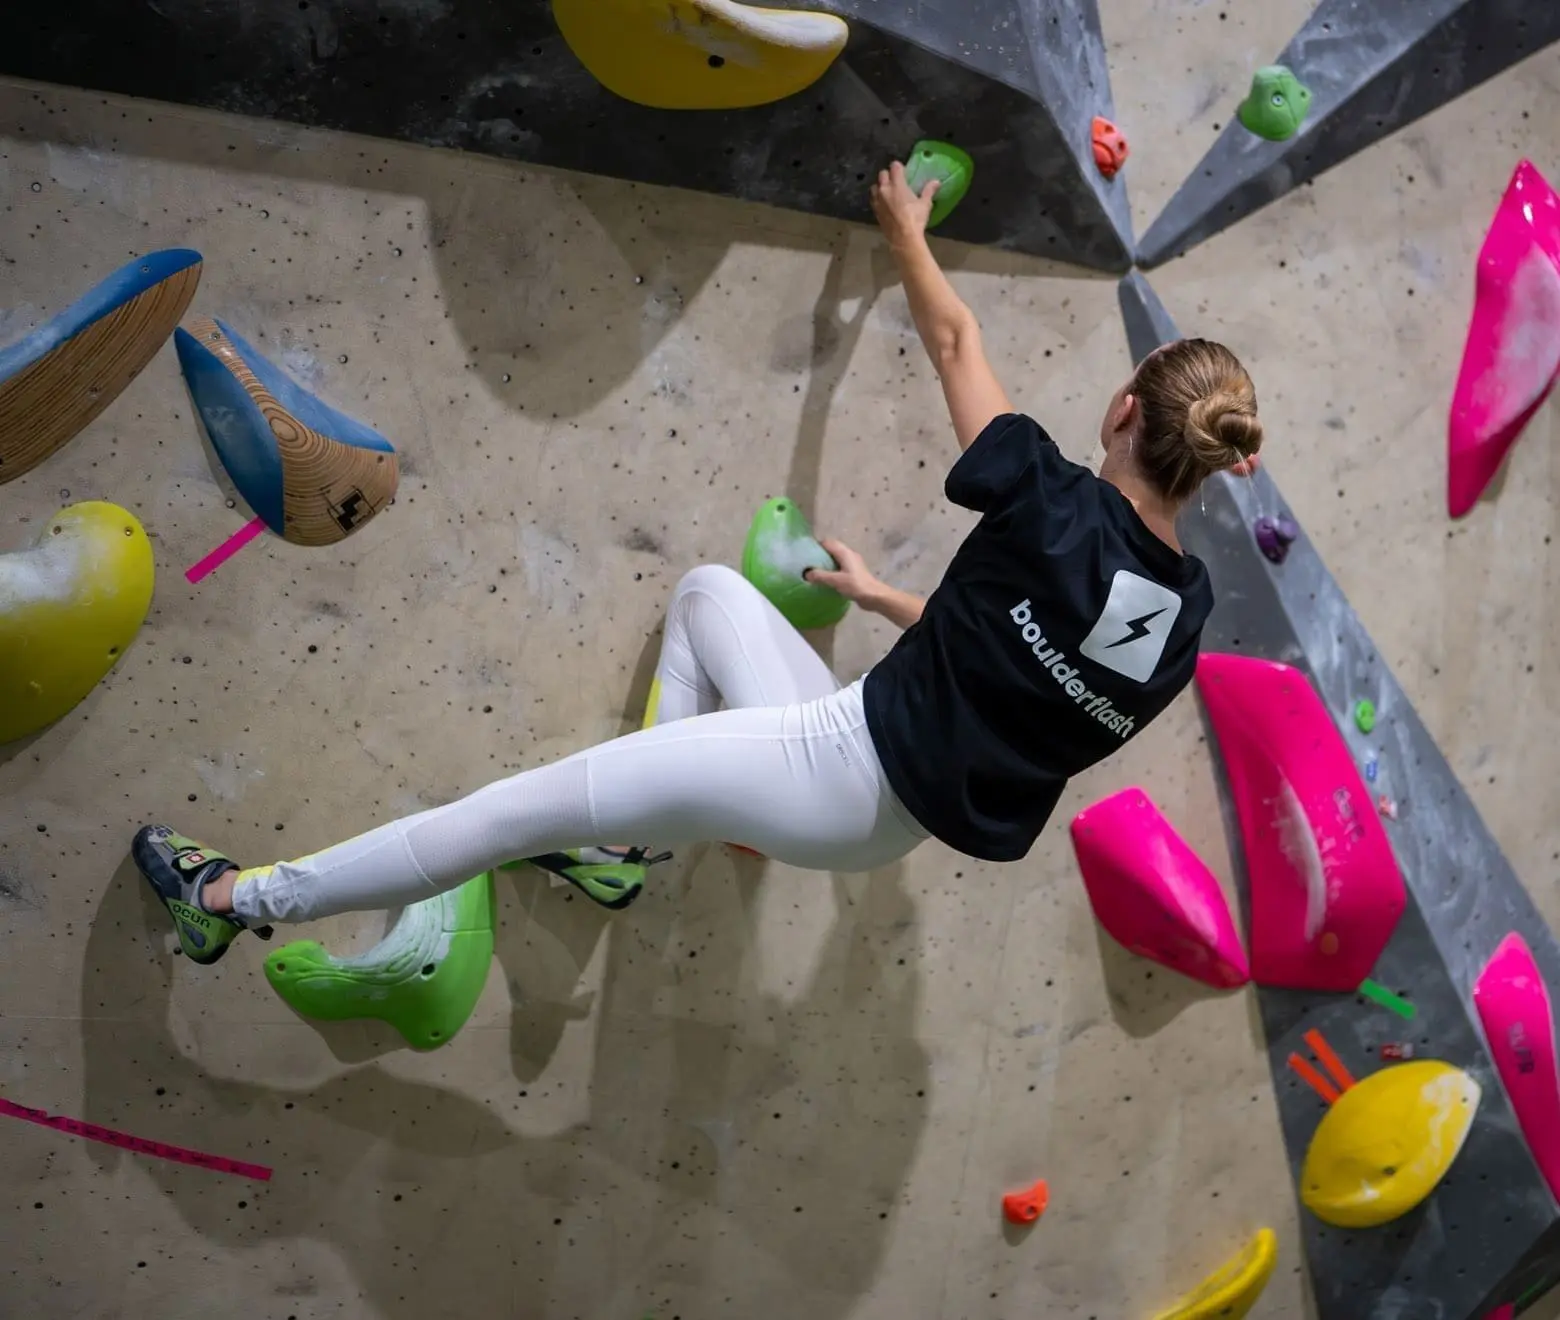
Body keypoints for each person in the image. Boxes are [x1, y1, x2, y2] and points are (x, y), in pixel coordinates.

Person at [133, 162, 1264, 964]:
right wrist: (883, 598)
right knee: (710, 598)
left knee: (500, 816)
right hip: (887, 819)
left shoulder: (1049, 497)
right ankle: (624, 844)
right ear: (1210, 469)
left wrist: (906, 233)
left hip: (835, 762)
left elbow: (959, 344)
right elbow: (1029, 672)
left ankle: (231, 899)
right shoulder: (1181, 619)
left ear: (1123, 409)